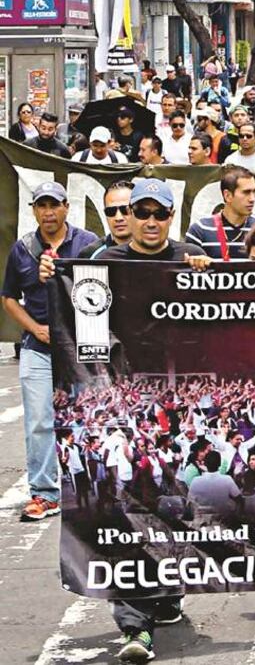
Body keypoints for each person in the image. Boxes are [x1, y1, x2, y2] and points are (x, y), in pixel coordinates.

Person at [81, 179, 210, 662]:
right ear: (129, 217)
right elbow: (81, 324)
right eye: (143, 212)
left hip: (181, 407)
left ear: (171, 216)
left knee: (173, 510)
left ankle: (168, 594)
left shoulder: (189, 254)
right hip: (123, 404)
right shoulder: (101, 264)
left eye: (160, 213)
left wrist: (210, 271)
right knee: (127, 513)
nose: (151, 221)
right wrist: (56, 275)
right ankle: (135, 625)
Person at [2, 182, 97, 521]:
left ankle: (95, 489)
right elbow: (9, 298)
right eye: (41, 205)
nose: (48, 212)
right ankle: (44, 494)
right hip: (37, 347)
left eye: (54, 205)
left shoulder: (88, 244)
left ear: (66, 208)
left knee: (87, 421)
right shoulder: (23, 249)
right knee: (39, 421)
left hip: (80, 350)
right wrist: (34, 328)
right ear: (34, 210)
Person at [185, 165, 255, 259]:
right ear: (228, 195)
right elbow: (186, 270)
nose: (252, 199)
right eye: (246, 192)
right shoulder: (200, 230)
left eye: (254, 192)